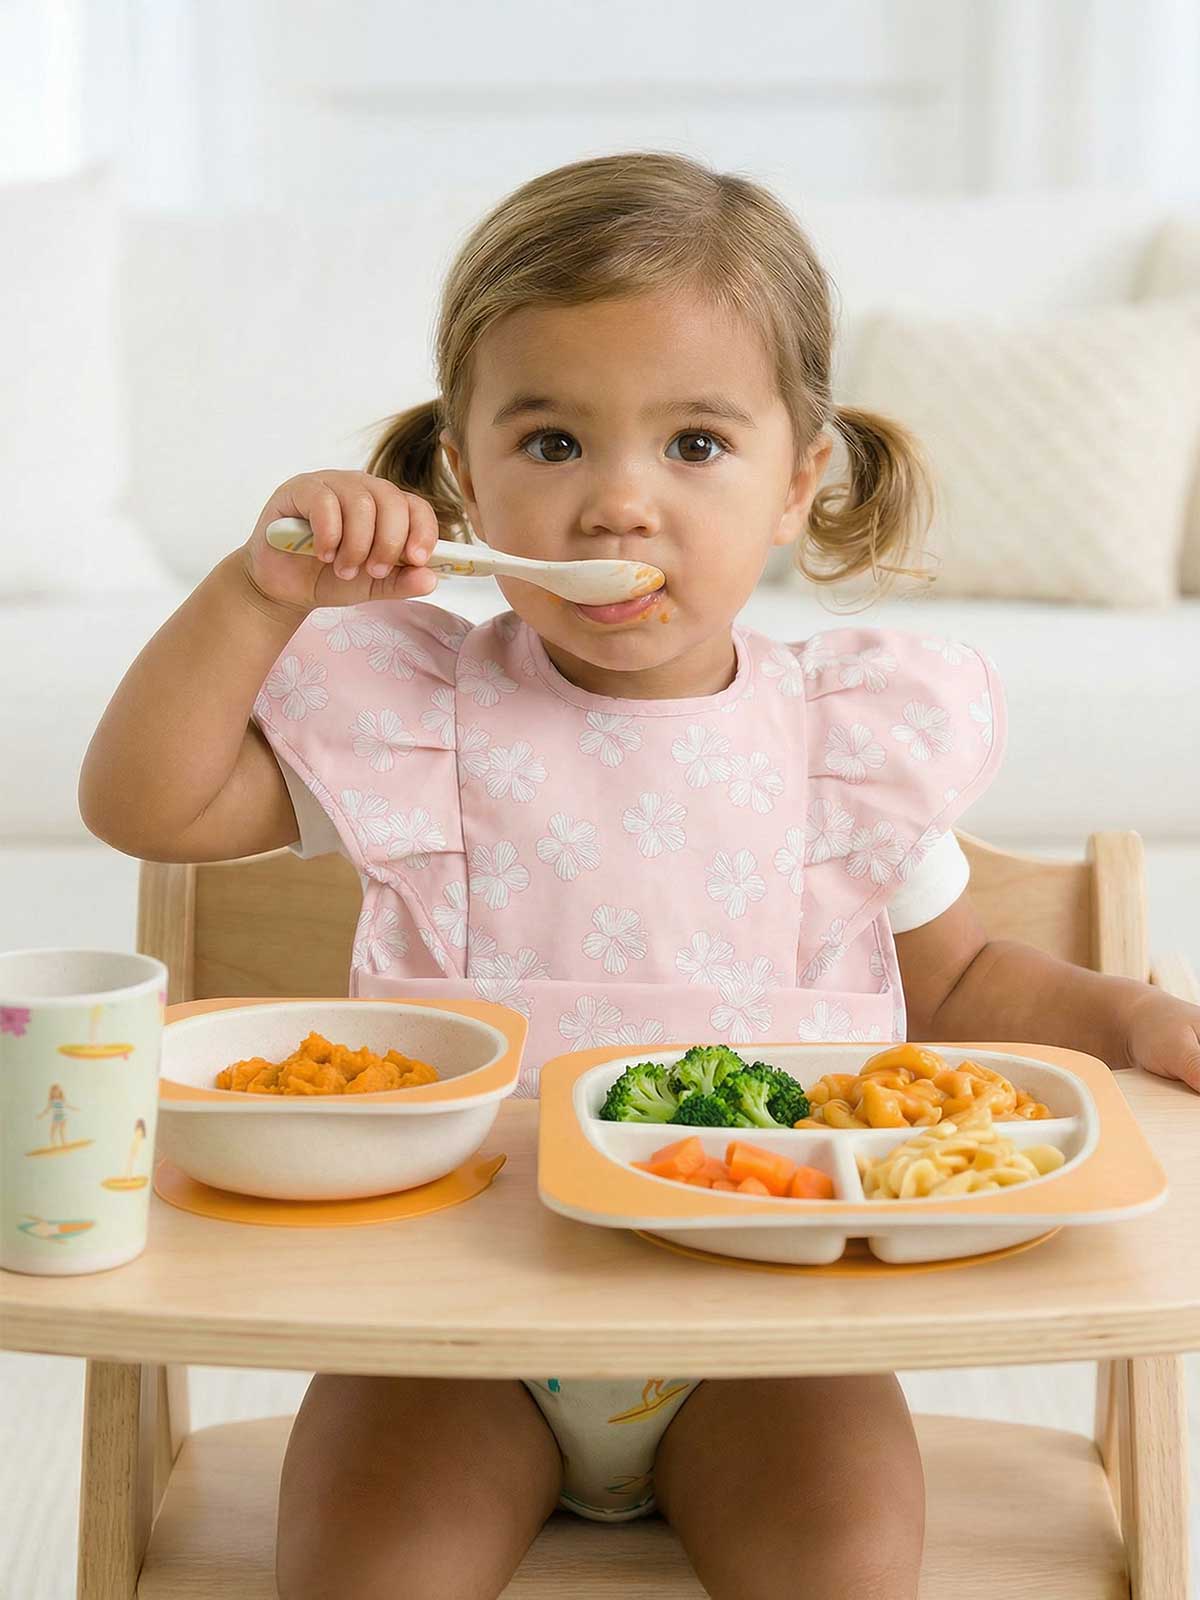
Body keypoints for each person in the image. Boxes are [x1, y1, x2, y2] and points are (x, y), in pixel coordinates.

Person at [80, 151, 1200, 1600]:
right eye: (552, 443)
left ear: (798, 482)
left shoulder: (846, 743)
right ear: (463, 476)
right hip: (455, 1332)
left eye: (695, 445)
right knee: (363, 1579)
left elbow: (971, 984)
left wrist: (1132, 1018)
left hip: (767, 1331)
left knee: (848, 1574)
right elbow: (144, 804)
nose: (619, 503)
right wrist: (256, 594)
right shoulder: (418, 721)